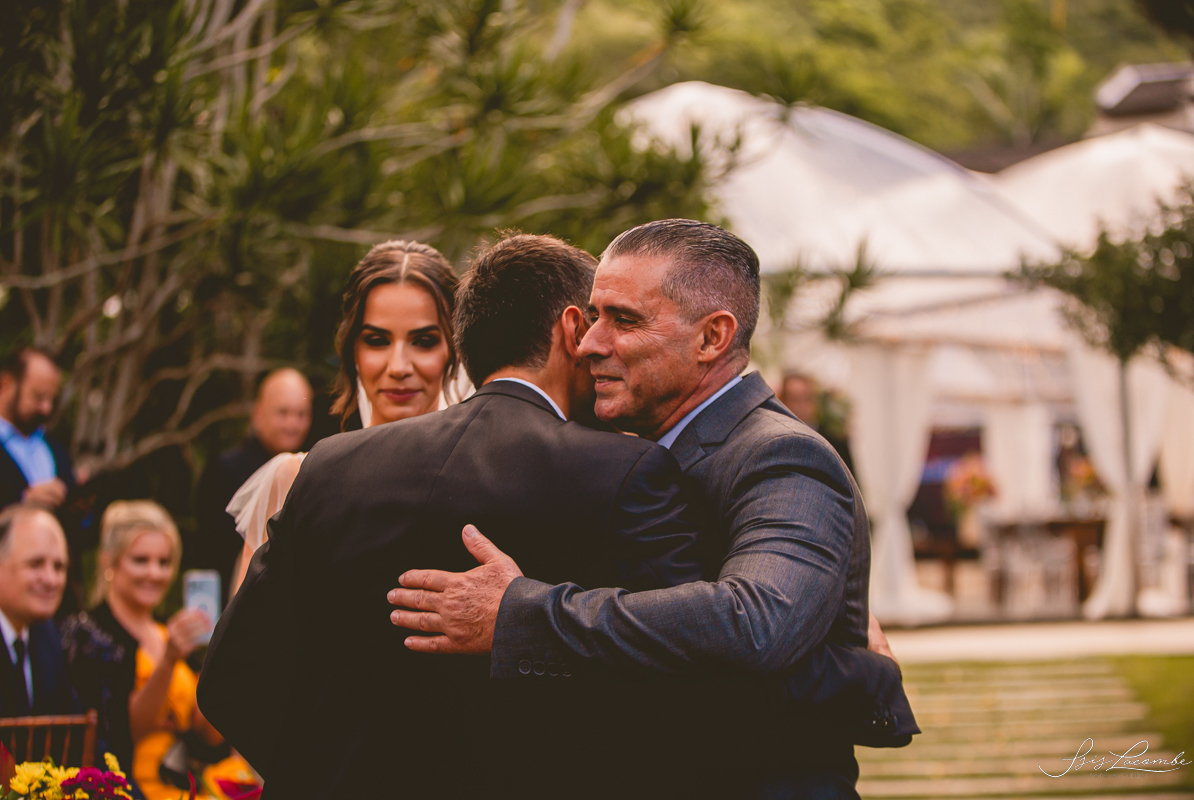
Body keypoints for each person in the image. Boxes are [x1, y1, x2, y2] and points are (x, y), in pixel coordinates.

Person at [199, 233, 910, 799]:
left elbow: (744, 631)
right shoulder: (615, 472)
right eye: (593, 319)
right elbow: (684, 678)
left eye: (621, 320)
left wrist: (323, 776)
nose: (593, 342)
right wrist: (863, 675)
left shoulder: (775, 454)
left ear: (712, 336)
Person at [223, 239, 462, 595]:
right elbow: (249, 628)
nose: (399, 366)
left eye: (424, 341)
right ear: (353, 350)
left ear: (453, 350)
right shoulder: (294, 482)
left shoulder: (482, 483)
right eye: (377, 340)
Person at [60, 501, 253, 799]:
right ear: (109, 562)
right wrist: (167, 662)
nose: (154, 573)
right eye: (140, 560)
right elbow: (116, 733)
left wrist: (227, 658)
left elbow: (209, 736)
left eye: (164, 562)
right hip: (126, 789)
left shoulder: (169, 632)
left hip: (186, 783)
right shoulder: (87, 632)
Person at [189, 368, 314, 599]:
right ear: (258, 413)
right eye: (283, 413)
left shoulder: (313, 471)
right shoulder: (225, 471)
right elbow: (207, 552)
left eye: (301, 414)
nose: (293, 424)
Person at [0, 348, 86, 614]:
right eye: (38, 397)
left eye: (51, 399)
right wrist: (22, 502)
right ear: (6, 384)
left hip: (56, 604)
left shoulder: (54, 449)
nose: (46, 408)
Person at [0, 505, 79, 728]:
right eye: (35, 564)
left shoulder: (46, 634)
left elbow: (70, 725)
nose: (51, 580)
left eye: (59, 567)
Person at [778, 371, 855, 474]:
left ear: (815, 401)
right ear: (782, 402)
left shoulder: (836, 444)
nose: (801, 405)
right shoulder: (778, 444)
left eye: (807, 398)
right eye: (794, 399)